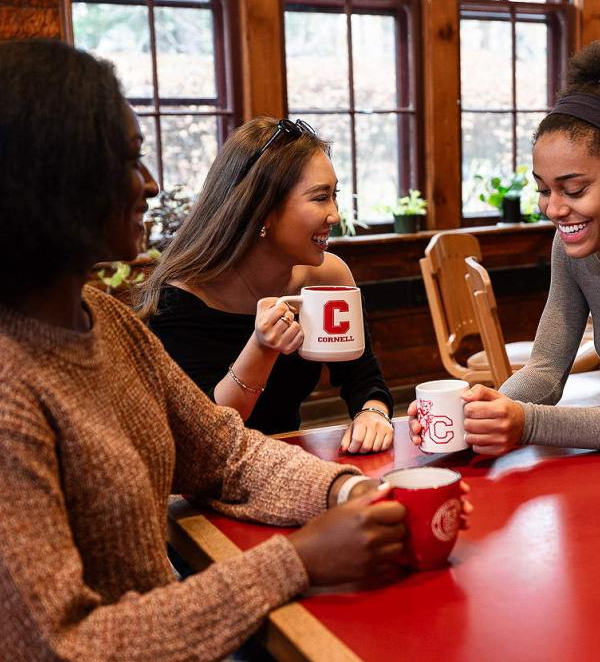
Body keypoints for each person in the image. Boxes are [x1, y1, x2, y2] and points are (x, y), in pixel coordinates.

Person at [0, 39, 416, 662]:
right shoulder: (10, 390)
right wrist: (297, 560)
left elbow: (225, 453)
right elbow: (63, 645)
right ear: (55, 176)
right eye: (130, 160)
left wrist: (345, 491)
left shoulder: (106, 320)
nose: (149, 184)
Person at [136, 116, 394, 454]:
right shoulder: (179, 299)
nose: (334, 215)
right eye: (320, 198)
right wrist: (261, 347)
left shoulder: (327, 278)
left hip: (289, 463)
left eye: (335, 196)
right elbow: (208, 437)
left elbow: (363, 378)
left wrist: (373, 414)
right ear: (263, 211)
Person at [409, 41, 600, 457]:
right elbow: (546, 370)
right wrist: (480, 409)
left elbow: (532, 417)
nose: (554, 208)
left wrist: (525, 422)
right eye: (543, 190)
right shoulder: (568, 249)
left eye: (574, 189)